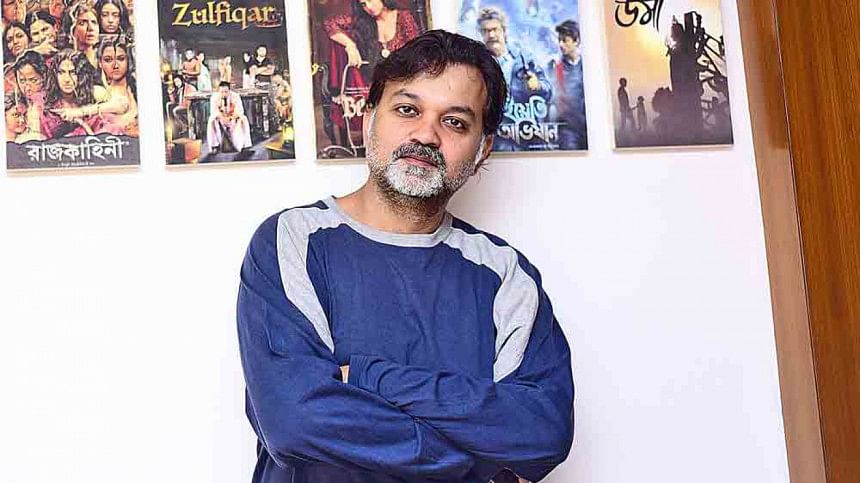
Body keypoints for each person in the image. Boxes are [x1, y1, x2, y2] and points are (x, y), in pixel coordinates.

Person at [237, 30, 573, 483]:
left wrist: (367, 377)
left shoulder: (505, 274)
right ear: (369, 118)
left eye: (455, 122)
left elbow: (542, 432)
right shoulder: (293, 240)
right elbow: (293, 421)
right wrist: (468, 465)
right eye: (408, 110)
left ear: (483, 149)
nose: (426, 134)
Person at [40, 48, 103, 138]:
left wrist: (81, 119)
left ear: (82, 75)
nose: (67, 79)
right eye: (61, 72)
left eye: (73, 73)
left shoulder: (94, 95)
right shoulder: (43, 100)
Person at [548, 19, 586, 150]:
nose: (560, 44)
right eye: (559, 40)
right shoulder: (555, 67)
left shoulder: (587, 65)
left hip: (589, 128)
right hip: (567, 129)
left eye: (565, 40)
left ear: (576, 41)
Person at [207, 80, 251, 154]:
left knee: (243, 119)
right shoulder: (214, 97)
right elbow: (214, 111)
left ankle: (243, 145)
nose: (224, 94)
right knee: (211, 120)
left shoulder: (235, 96)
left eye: (226, 92)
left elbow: (239, 110)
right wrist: (222, 118)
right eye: (222, 92)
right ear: (218, 91)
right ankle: (215, 145)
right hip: (221, 119)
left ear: (229, 91)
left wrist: (231, 118)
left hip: (232, 119)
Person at [12, 49, 47, 140]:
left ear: (43, 77)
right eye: (22, 81)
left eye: (33, 80)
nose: (27, 87)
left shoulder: (46, 103)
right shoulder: (19, 102)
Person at [68, 2, 99, 68]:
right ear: (72, 30)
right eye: (82, 23)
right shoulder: (65, 62)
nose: (91, 28)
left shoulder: (105, 60)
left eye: (94, 22)